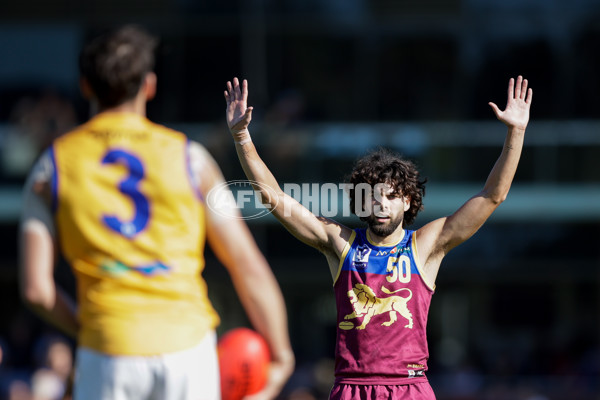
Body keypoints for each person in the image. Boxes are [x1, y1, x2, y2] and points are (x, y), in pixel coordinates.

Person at [19, 25, 294, 400]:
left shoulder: (50, 166)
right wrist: (280, 354)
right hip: (189, 351)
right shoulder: (191, 159)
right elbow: (246, 263)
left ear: (85, 86)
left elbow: (36, 290)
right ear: (149, 85)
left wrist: (92, 328)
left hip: (107, 349)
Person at [224, 76, 532, 399]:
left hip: (410, 388)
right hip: (351, 388)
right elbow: (275, 198)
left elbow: (492, 196)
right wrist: (242, 136)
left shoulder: (425, 245)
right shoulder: (340, 243)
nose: (381, 203)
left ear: (408, 201)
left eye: (391, 195)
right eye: (372, 196)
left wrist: (517, 132)